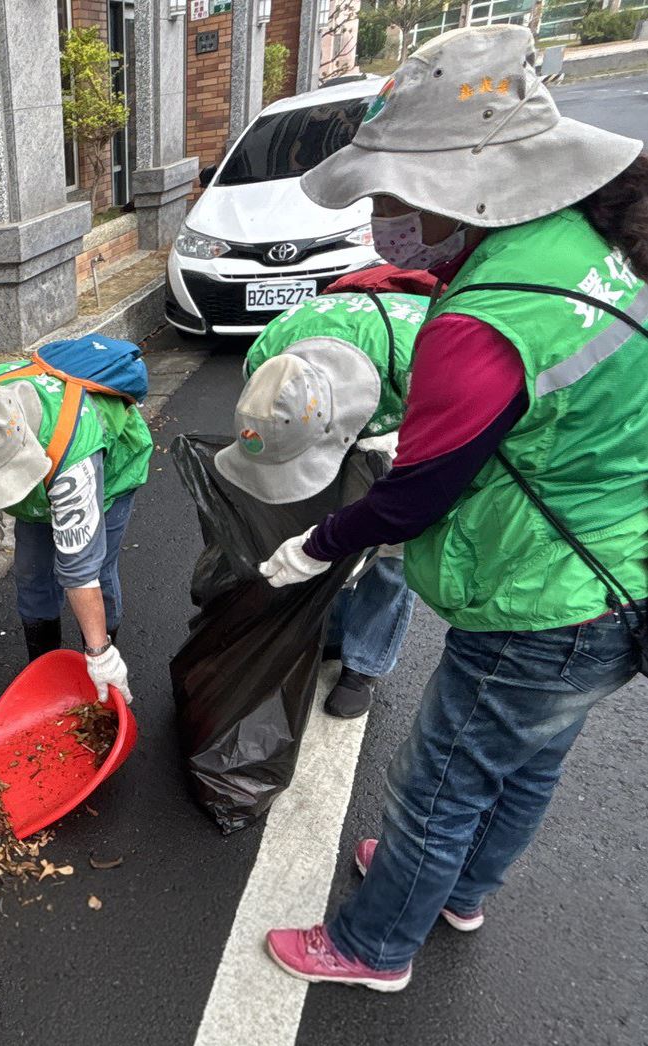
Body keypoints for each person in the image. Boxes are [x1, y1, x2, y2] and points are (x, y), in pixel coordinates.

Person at [260, 25, 647, 990]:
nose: (382, 216)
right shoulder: (582, 237)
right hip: (618, 572)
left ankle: (369, 946)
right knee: (523, 765)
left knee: (441, 780)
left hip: (539, 599)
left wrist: (317, 543)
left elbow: (417, 493)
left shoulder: (483, 323)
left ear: (463, 185)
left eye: (392, 193)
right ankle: (458, 891)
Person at [220, 281, 428, 717]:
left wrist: (391, 450)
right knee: (324, 531)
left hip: (408, 422)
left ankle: (364, 664)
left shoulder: (422, 358)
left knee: (391, 553)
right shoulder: (264, 360)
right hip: (349, 409)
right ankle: (330, 630)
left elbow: (425, 487)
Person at [0, 338, 154, 703]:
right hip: (42, 478)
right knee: (31, 571)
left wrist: (98, 654)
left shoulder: (71, 454)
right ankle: (45, 672)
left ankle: (105, 660)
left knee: (97, 569)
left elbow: (80, 571)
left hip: (109, 475)